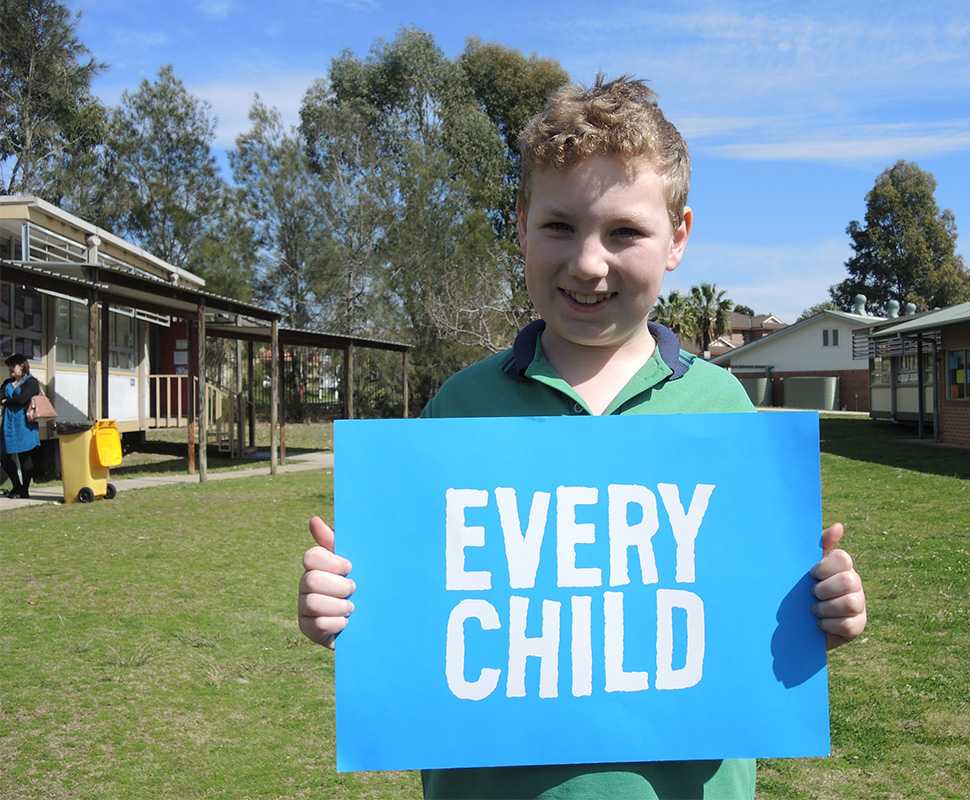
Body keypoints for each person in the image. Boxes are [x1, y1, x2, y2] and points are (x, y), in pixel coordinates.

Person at [298, 76, 868, 799]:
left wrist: (821, 609)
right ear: (521, 226)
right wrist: (342, 606)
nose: (589, 263)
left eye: (625, 231)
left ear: (678, 238)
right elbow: (412, 609)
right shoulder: (459, 408)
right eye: (560, 226)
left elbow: (744, 610)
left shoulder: (722, 407)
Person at [1, 353, 42, 499]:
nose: (10, 369)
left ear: (22, 366)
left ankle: (24, 490)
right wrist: (7, 400)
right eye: (9, 366)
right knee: (4, 456)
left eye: (13, 365)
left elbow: (23, 399)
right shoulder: (7, 382)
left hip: (24, 423)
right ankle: (16, 486)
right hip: (8, 423)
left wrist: (6, 401)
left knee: (25, 457)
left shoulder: (31, 382)